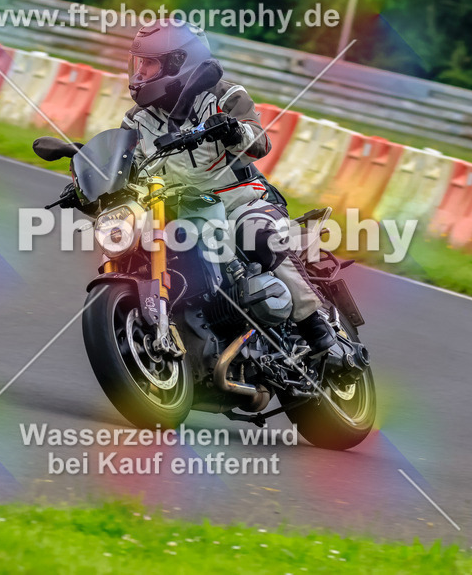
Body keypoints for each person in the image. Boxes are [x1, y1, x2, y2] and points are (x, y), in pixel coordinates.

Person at [120, 19, 356, 371]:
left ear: (177, 63)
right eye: (138, 63)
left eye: (149, 63)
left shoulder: (223, 96)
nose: (140, 72)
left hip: (239, 200)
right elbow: (125, 166)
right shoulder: (136, 120)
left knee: (257, 233)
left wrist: (232, 130)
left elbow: (260, 142)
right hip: (178, 211)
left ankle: (317, 329)